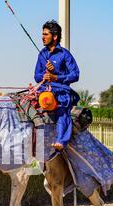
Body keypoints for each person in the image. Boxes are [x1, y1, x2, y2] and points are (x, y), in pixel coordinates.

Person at [34, 20, 80, 150]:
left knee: (61, 107)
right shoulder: (42, 54)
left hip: (61, 91)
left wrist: (56, 76)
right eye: (42, 34)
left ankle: (61, 140)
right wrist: (45, 74)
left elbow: (75, 74)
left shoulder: (65, 54)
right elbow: (36, 76)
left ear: (54, 36)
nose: (42, 37)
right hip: (44, 90)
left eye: (45, 34)